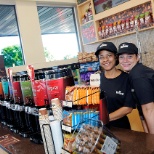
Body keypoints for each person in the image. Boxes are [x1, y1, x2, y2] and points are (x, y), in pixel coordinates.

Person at [95, 41, 135, 129]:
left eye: (109, 55)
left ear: (115, 57)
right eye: (101, 57)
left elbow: (128, 107)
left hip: (121, 129)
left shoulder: (126, 79)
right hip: (99, 129)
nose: (105, 60)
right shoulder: (96, 78)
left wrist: (104, 119)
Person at [117, 42, 154, 134]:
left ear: (137, 57)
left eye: (129, 56)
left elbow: (149, 110)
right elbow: (142, 110)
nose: (125, 60)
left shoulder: (138, 76)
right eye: (121, 57)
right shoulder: (135, 72)